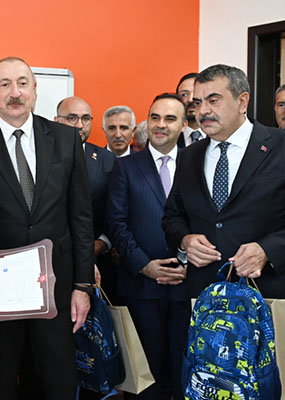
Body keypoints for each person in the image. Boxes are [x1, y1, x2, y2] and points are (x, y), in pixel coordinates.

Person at [0, 56, 94, 399]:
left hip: (56, 290)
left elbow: (81, 217)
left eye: (23, 83)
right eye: (5, 84)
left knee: (55, 385)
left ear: (35, 90)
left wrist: (83, 286)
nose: (15, 93)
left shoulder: (67, 139)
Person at [163, 64, 285, 299]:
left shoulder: (280, 146)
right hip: (205, 299)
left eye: (213, 101)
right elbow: (172, 216)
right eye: (198, 103)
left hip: (269, 295)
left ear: (242, 102)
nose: (203, 111)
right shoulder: (189, 156)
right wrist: (185, 240)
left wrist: (268, 250)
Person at [106, 93, 189, 400]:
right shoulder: (126, 167)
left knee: (185, 373)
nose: (161, 125)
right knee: (147, 382)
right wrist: (144, 264)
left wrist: (188, 263)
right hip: (141, 287)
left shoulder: (197, 164)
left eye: (170, 118)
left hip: (187, 285)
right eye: (155, 117)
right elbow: (116, 223)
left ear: (183, 125)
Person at [55, 96, 116, 296]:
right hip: (52, 260)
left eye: (86, 119)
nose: (80, 125)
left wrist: (103, 243)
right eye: (72, 118)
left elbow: (116, 209)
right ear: (56, 121)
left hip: (99, 260)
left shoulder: (107, 159)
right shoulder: (41, 157)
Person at [176, 72, 205, 148]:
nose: (190, 99)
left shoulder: (220, 135)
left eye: (196, 93)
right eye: (184, 94)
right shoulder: (167, 136)